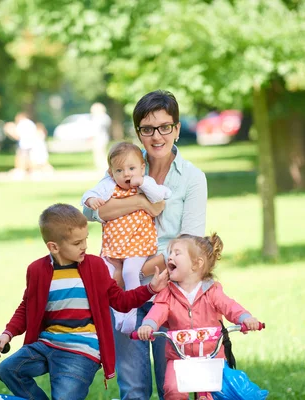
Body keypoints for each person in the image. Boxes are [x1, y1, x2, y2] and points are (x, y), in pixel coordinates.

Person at [82, 90, 207, 400]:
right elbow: (92, 211)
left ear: (177, 129)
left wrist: (136, 268)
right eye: (148, 129)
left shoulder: (192, 178)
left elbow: (190, 246)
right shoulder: (128, 164)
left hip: (171, 294)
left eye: (165, 127)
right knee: (134, 389)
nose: (157, 136)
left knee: (173, 388)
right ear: (139, 132)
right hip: (125, 297)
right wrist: (143, 202)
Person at [0, 203, 169, 400]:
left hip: (82, 350)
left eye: (85, 239)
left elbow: (120, 301)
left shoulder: (95, 266)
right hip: (46, 344)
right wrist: (8, 334)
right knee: (8, 370)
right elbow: (27, 307)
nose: (84, 246)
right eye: (77, 243)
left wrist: (150, 289)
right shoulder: (37, 270)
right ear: (54, 246)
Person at [137, 233, 262, 400]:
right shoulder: (167, 293)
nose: (170, 256)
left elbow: (229, 306)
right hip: (179, 358)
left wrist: (245, 318)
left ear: (196, 264)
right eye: (170, 252)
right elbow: (158, 310)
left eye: (177, 253)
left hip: (211, 357)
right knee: (173, 389)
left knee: (210, 394)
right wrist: (149, 325)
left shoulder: (212, 291)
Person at [81, 141, 172, 334]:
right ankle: (117, 312)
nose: (127, 174)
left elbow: (160, 196)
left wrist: (144, 184)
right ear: (111, 172)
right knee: (106, 277)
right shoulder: (108, 185)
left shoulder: (145, 183)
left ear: (142, 168)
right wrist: (91, 200)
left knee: (130, 272)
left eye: (131, 168)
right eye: (120, 170)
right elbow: (87, 197)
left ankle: (130, 312)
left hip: (138, 243)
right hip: (113, 245)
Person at [4, 112, 37, 178]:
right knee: (30, 158)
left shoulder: (22, 124)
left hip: (24, 144)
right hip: (31, 144)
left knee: (21, 157)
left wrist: (9, 130)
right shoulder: (31, 123)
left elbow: (17, 135)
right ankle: (32, 171)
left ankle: (21, 171)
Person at [90, 102, 111, 171]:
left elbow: (96, 128)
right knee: (98, 152)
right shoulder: (101, 117)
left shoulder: (102, 117)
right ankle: (99, 165)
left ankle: (103, 166)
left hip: (101, 137)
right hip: (100, 137)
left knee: (100, 151)